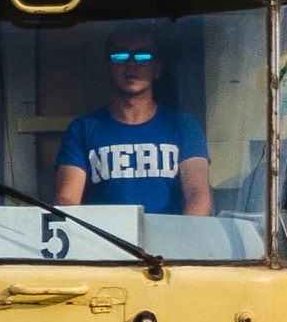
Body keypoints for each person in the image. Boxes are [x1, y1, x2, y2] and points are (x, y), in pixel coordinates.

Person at [52, 24, 212, 217]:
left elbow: (199, 197)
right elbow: (67, 200)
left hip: (169, 243)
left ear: (156, 69)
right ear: (106, 68)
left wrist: (175, 243)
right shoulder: (83, 129)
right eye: (119, 56)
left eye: (142, 57)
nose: (131, 65)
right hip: (105, 243)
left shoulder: (183, 126)